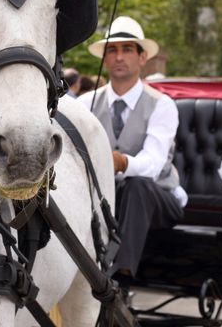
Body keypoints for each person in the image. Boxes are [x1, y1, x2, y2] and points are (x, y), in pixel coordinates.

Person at [78, 16, 187, 287]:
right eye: (112, 50)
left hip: (158, 196)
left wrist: (121, 161)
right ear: (104, 59)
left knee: (137, 185)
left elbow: (152, 163)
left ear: (142, 58)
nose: (119, 57)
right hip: (106, 198)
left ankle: (118, 277)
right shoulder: (84, 104)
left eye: (127, 49)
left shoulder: (162, 105)